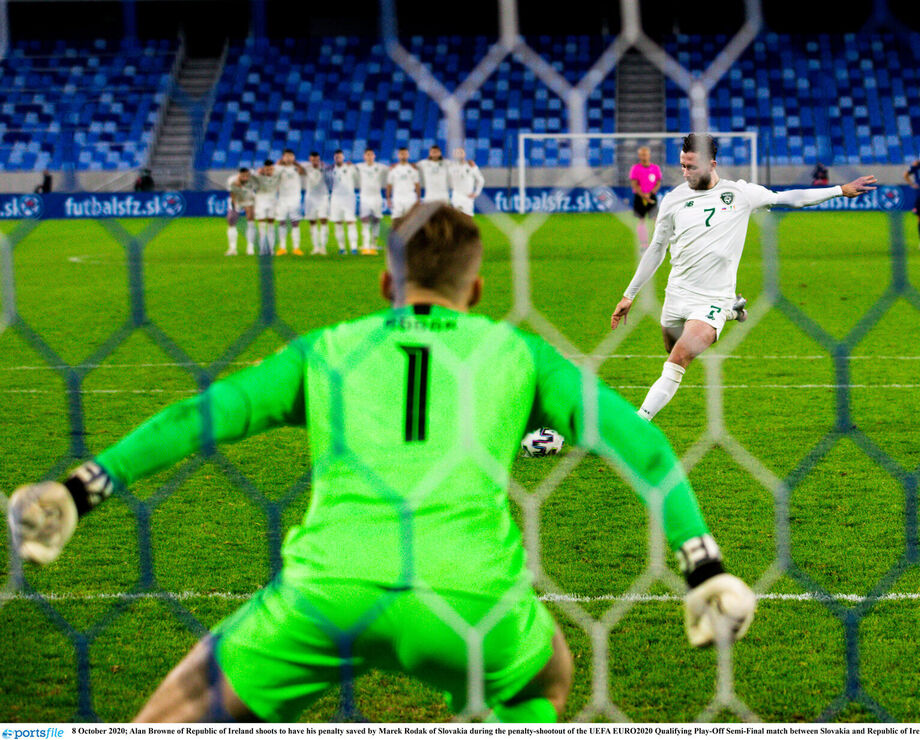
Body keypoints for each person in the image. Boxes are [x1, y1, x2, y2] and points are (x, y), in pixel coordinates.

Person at [7, 203, 757, 722]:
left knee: (180, 703)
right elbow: (641, 441)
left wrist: (79, 490)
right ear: (479, 289)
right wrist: (704, 567)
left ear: (384, 283)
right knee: (551, 671)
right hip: (472, 601)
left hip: (330, 589)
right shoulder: (518, 353)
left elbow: (199, 418)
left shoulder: (330, 347)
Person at [609, 133, 876, 421]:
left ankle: (639, 422)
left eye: (692, 167)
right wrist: (629, 294)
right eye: (683, 166)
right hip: (678, 295)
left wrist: (839, 189)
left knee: (678, 360)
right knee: (671, 349)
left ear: (711, 164)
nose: (686, 173)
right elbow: (656, 249)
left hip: (712, 298)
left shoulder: (740, 194)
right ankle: (733, 312)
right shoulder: (674, 200)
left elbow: (789, 199)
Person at [630, 146, 664, 249]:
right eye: (641, 155)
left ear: (649, 155)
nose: (643, 157)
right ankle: (644, 244)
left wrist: (651, 193)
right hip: (640, 196)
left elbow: (658, 182)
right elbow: (634, 184)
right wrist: (643, 195)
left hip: (651, 196)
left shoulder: (655, 168)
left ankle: (658, 243)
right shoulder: (635, 168)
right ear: (639, 156)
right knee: (641, 220)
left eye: (645, 154)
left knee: (656, 220)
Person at [274, 149, 306, 256]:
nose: (289, 158)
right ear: (283, 157)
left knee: (295, 222)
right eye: (286, 156)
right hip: (282, 198)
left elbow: (304, 172)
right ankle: (282, 247)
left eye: (291, 156)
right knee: (282, 222)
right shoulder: (278, 168)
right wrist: (278, 163)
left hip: (295, 198)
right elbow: (271, 173)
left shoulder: (297, 168)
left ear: (294, 157)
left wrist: (296, 163)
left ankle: (296, 248)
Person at [357, 148, 388, 255]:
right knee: (364, 220)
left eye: (371, 155)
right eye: (367, 155)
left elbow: (391, 170)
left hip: (376, 197)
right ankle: (366, 246)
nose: (369, 157)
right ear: (364, 156)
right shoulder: (359, 167)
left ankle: (373, 245)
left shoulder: (381, 167)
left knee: (376, 221)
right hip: (364, 197)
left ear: (374, 156)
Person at [329, 149, 360, 255]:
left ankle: (354, 248)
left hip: (348, 199)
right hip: (335, 199)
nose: (338, 158)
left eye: (340, 156)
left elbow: (357, 180)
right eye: (336, 157)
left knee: (351, 222)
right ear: (334, 158)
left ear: (343, 157)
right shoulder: (330, 170)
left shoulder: (350, 168)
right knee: (338, 223)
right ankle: (342, 249)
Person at [224, 167, 258, 256]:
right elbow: (232, 195)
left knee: (250, 220)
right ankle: (232, 248)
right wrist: (234, 208)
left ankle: (250, 248)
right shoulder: (232, 181)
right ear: (239, 175)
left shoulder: (253, 179)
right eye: (243, 176)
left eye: (247, 175)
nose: (245, 178)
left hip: (249, 199)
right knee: (231, 220)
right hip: (237, 200)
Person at [304, 152, 331, 256]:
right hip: (311, 199)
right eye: (313, 160)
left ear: (319, 160)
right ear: (310, 160)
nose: (315, 162)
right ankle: (315, 247)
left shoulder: (325, 169)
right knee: (312, 222)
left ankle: (323, 247)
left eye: (316, 160)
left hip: (323, 197)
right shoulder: (306, 169)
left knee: (324, 221)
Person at [254, 159, 281, 256]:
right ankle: (262, 249)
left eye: (270, 169)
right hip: (260, 202)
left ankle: (270, 248)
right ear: (264, 169)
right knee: (261, 226)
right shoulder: (258, 176)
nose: (269, 171)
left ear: (273, 168)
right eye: (267, 169)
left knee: (271, 226)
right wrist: (258, 173)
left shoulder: (277, 175)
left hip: (273, 202)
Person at [448, 147, 486, 217]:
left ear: (464, 154)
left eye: (461, 153)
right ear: (454, 155)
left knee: (468, 218)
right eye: (457, 153)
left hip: (468, 196)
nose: (459, 155)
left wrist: (477, 192)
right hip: (456, 195)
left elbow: (481, 180)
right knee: (456, 217)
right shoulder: (450, 166)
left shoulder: (471, 166)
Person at [386, 146, 421, 220]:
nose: (403, 156)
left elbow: (417, 184)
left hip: (410, 197)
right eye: (401, 154)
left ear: (408, 155)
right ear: (398, 155)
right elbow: (389, 185)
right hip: (397, 197)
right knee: (396, 219)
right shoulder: (393, 169)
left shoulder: (413, 169)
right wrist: (388, 198)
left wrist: (418, 198)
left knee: (410, 219)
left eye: (405, 154)